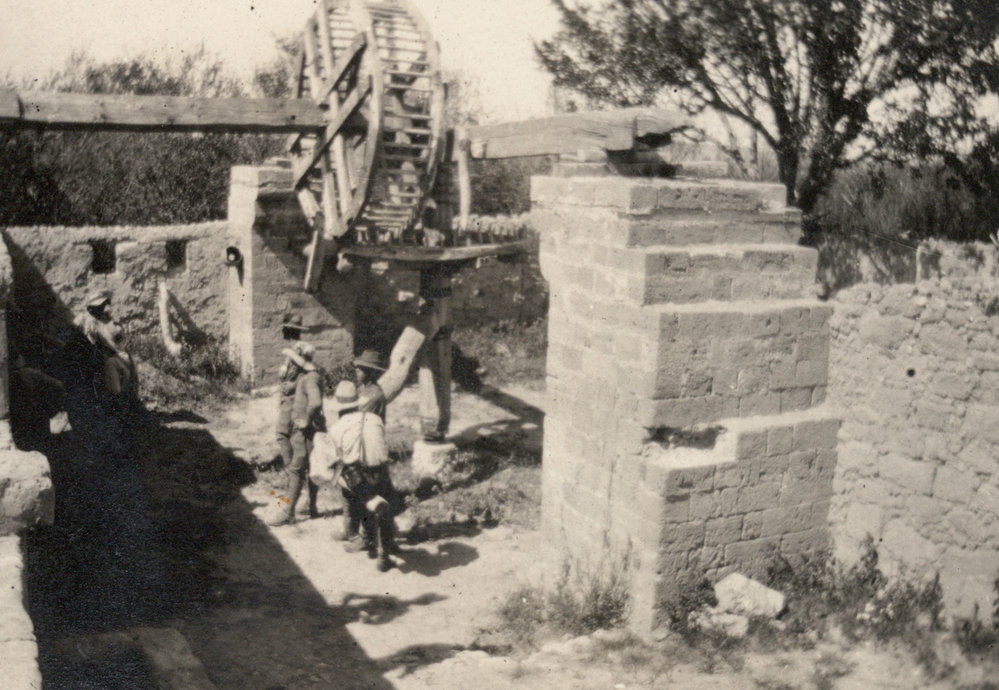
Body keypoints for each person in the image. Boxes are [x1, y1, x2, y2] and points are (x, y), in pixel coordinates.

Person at [324, 380, 399, 572]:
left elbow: (335, 460)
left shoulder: (336, 428)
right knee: (386, 504)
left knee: (348, 487)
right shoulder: (375, 419)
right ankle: (385, 551)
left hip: (359, 477)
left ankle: (360, 536)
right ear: (357, 403)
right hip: (381, 471)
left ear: (340, 408)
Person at [267, 342, 323, 526]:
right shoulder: (308, 376)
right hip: (305, 430)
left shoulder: (310, 378)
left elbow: (315, 403)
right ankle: (311, 507)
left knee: (297, 469)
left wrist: (306, 420)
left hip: (305, 431)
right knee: (307, 467)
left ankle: (288, 512)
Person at [353, 349, 387, 422]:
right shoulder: (362, 388)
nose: (357, 370)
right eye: (357, 367)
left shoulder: (374, 395)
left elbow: (358, 419)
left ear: (371, 372)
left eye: (362, 368)